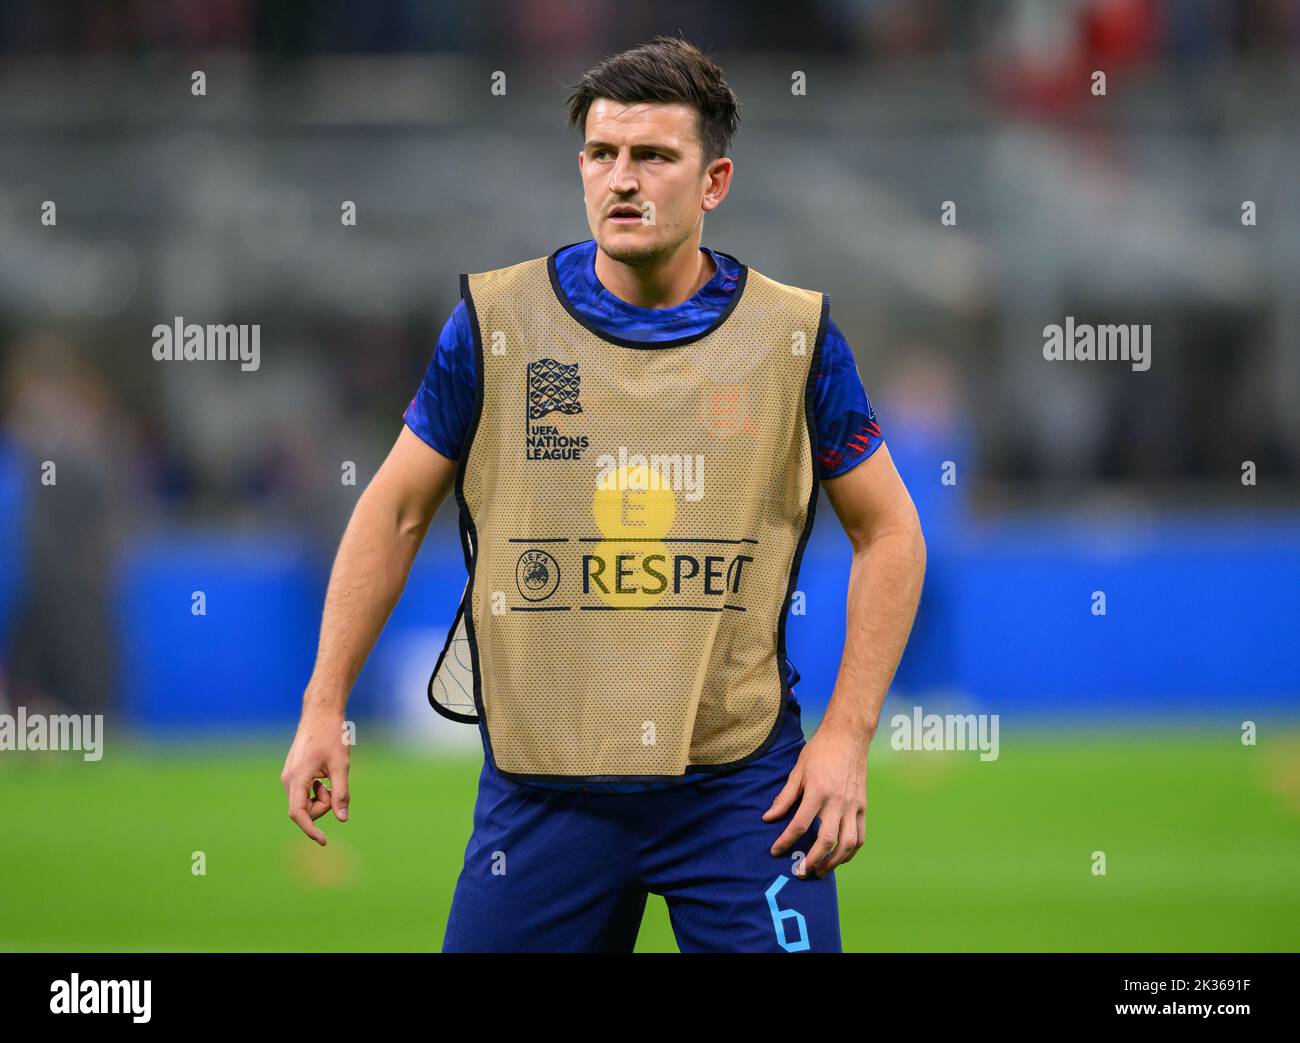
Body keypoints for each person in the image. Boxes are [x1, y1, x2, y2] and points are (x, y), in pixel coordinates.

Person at [281, 35, 925, 953]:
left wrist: (847, 738)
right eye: (601, 153)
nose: (622, 178)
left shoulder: (794, 336)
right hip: (545, 791)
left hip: (739, 788)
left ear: (714, 182)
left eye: (655, 156)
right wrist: (321, 704)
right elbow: (393, 509)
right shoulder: (495, 325)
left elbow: (892, 531)